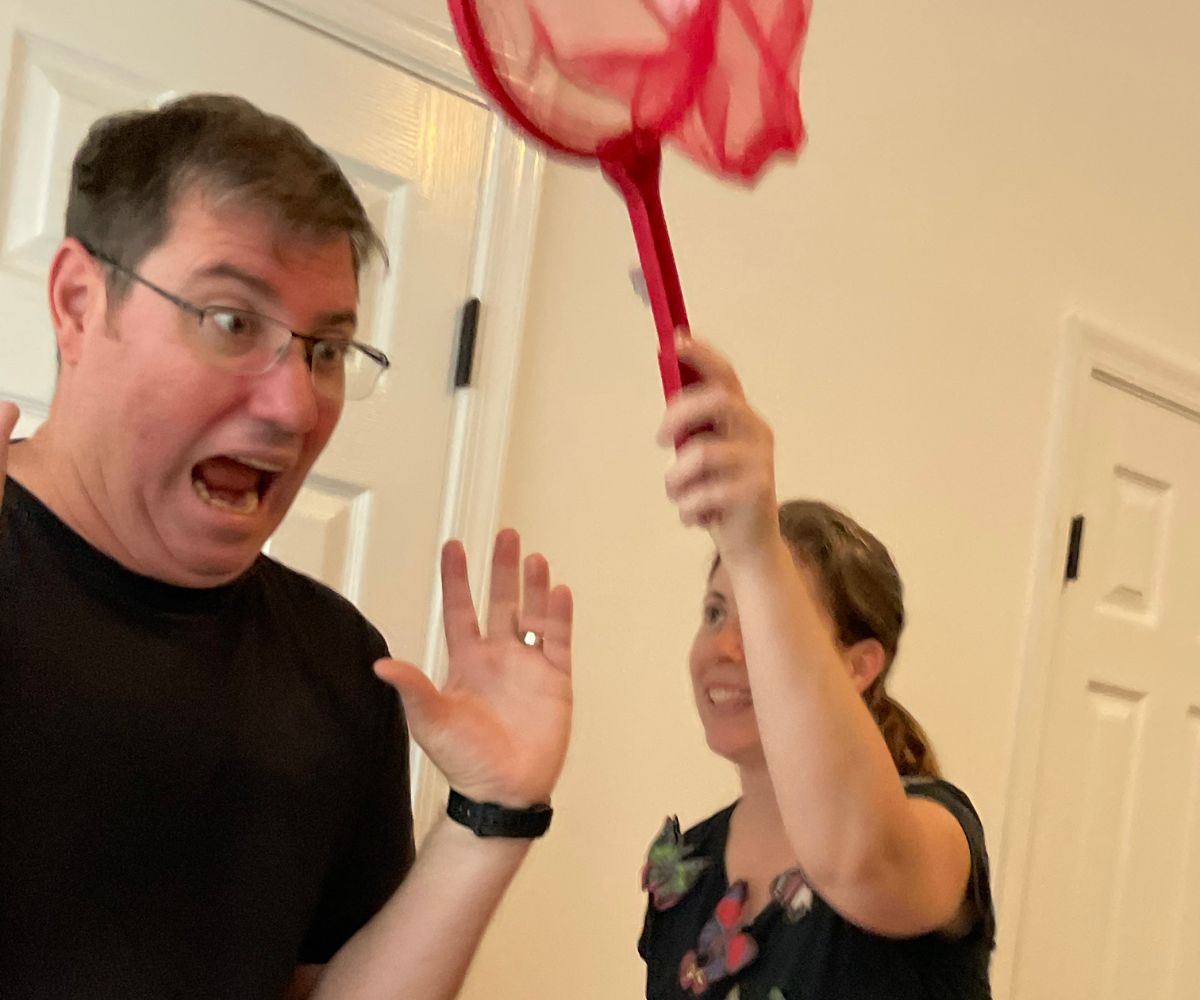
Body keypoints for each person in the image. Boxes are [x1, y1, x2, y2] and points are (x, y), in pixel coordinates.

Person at [0, 94, 573, 1000]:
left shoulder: (343, 669)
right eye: (232, 323)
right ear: (79, 303)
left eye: (328, 351)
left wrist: (491, 819)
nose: (296, 406)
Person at [638, 336, 994, 999]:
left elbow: (857, 863)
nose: (724, 648)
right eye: (716, 612)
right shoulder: (683, 869)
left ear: (860, 666)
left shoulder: (933, 832)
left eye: (771, 626)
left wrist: (754, 551)